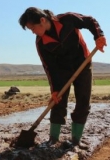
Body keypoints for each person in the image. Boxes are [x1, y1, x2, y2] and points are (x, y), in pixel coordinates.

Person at [19, 7, 106, 145]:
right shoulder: (41, 43)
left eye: (32, 28)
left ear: (42, 20)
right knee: (58, 101)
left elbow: (89, 21)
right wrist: (54, 90)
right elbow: (49, 67)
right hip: (62, 71)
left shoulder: (68, 19)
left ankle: (75, 140)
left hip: (82, 64)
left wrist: (98, 36)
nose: (33, 32)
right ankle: (53, 139)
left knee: (83, 101)